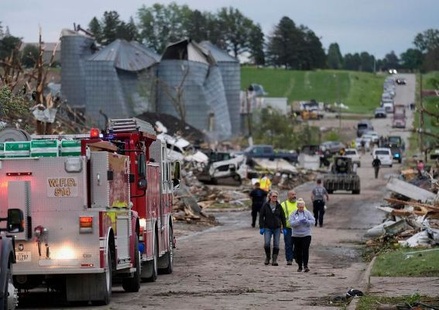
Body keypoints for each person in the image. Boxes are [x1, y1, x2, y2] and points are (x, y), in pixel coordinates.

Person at [259, 190, 286, 266]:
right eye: (273, 196)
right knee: (267, 243)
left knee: (276, 244)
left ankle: (274, 260)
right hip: (267, 227)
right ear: (270, 197)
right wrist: (261, 227)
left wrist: (284, 227)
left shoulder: (279, 206)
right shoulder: (265, 205)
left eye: (276, 196)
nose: (275, 198)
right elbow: (261, 216)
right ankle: (268, 257)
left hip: (277, 228)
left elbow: (283, 217)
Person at [289, 198, 315, 272]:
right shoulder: (293, 213)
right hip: (296, 235)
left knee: (305, 250)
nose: (301, 209)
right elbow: (291, 223)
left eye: (302, 207)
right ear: (297, 207)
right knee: (298, 251)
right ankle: (300, 266)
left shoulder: (307, 213)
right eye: (300, 207)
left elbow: (313, 221)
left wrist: (307, 221)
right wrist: (298, 222)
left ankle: (306, 265)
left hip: (306, 234)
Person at [280, 190, 298, 265]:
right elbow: (280, 216)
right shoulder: (283, 204)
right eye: (292, 195)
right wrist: (281, 226)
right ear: (288, 196)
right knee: (288, 244)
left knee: (297, 244)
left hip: (297, 228)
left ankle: (295, 256)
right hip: (287, 227)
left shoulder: (299, 204)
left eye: (295, 194)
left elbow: (305, 213)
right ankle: (289, 259)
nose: (294, 196)